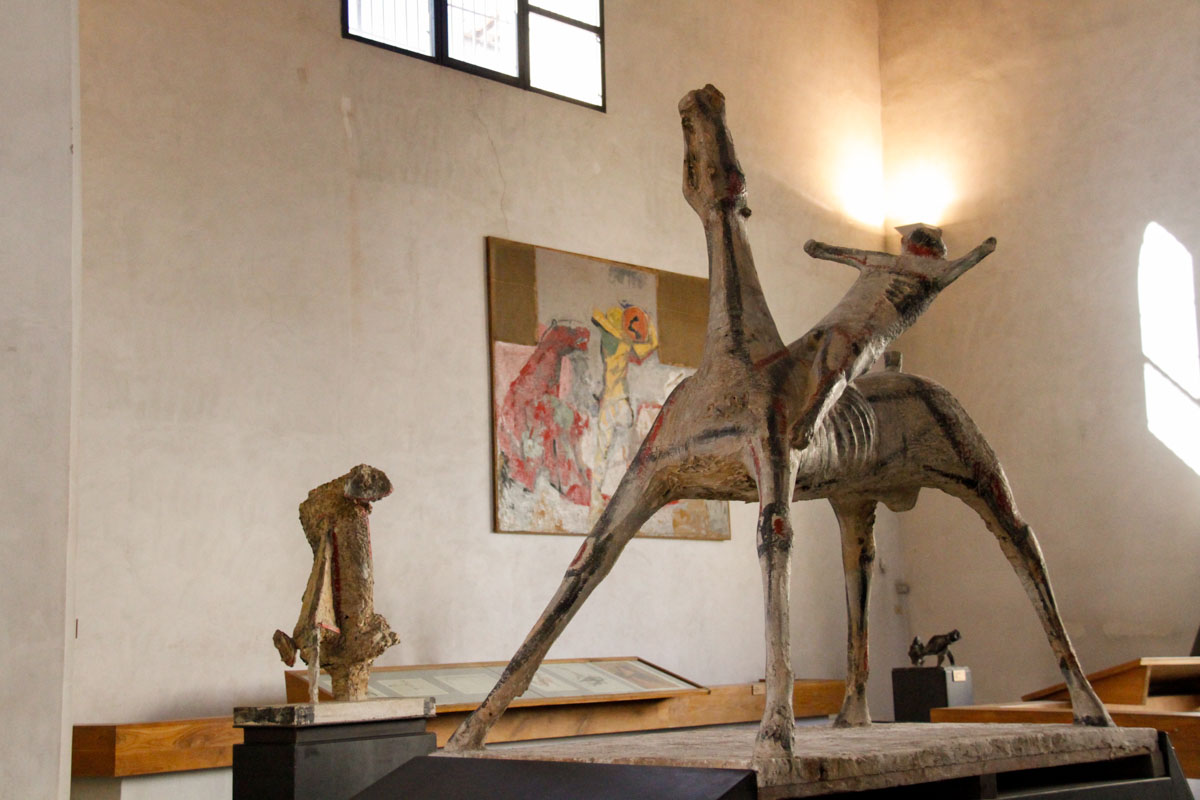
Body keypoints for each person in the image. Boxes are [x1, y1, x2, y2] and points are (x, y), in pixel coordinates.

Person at [795, 223, 996, 445]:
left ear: (906, 243)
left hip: (858, 333)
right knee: (828, 367)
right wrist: (983, 249)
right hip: (845, 327)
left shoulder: (924, 268)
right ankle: (809, 417)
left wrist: (819, 249)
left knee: (835, 368)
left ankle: (811, 419)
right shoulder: (923, 267)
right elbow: (967, 261)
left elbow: (836, 252)